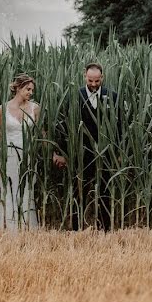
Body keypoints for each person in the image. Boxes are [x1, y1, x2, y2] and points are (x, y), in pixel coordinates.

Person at [54, 63, 121, 231]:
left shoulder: (112, 96)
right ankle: (76, 229)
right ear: (85, 76)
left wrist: (118, 152)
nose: (93, 84)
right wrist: (61, 152)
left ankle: (105, 229)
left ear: (102, 78)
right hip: (80, 153)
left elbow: (119, 127)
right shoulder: (74, 96)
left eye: (97, 81)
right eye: (90, 80)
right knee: (79, 192)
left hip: (106, 153)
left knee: (105, 191)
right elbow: (64, 125)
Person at [0, 74, 42, 231]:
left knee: (27, 189)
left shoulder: (35, 108)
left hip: (27, 156)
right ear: (18, 88)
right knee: (8, 190)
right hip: (9, 156)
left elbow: (40, 134)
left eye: (32, 90)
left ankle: (26, 227)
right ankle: (6, 229)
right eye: (28, 89)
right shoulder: (3, 109)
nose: (30, 93)